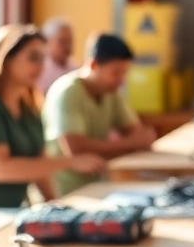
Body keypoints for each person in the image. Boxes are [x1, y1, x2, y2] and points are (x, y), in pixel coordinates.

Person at [0, 25, 105, 208]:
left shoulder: (29, 109)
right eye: (33, 58)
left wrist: (55, 205)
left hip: (8, 215)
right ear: (6, 59)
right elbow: (1, 169)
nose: (41, 66)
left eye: (43, 59)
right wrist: (69, 162)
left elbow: (39, 167)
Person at [44, 34, 158, 197]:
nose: (121, 80)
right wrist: (130, 144)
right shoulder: (67, 92)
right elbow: (76, 149)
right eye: (116, 73)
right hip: (66, 192)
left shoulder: (111, 92)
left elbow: (138, 135)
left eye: (124, 73)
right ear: (94, 65)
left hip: (101, 184)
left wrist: (132, 142)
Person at [38, 17, 76, 94]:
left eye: (69, 41)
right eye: (62, 41)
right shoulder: (39, 70)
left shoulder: (76, 69)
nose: (67, 46)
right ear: (48, 41)